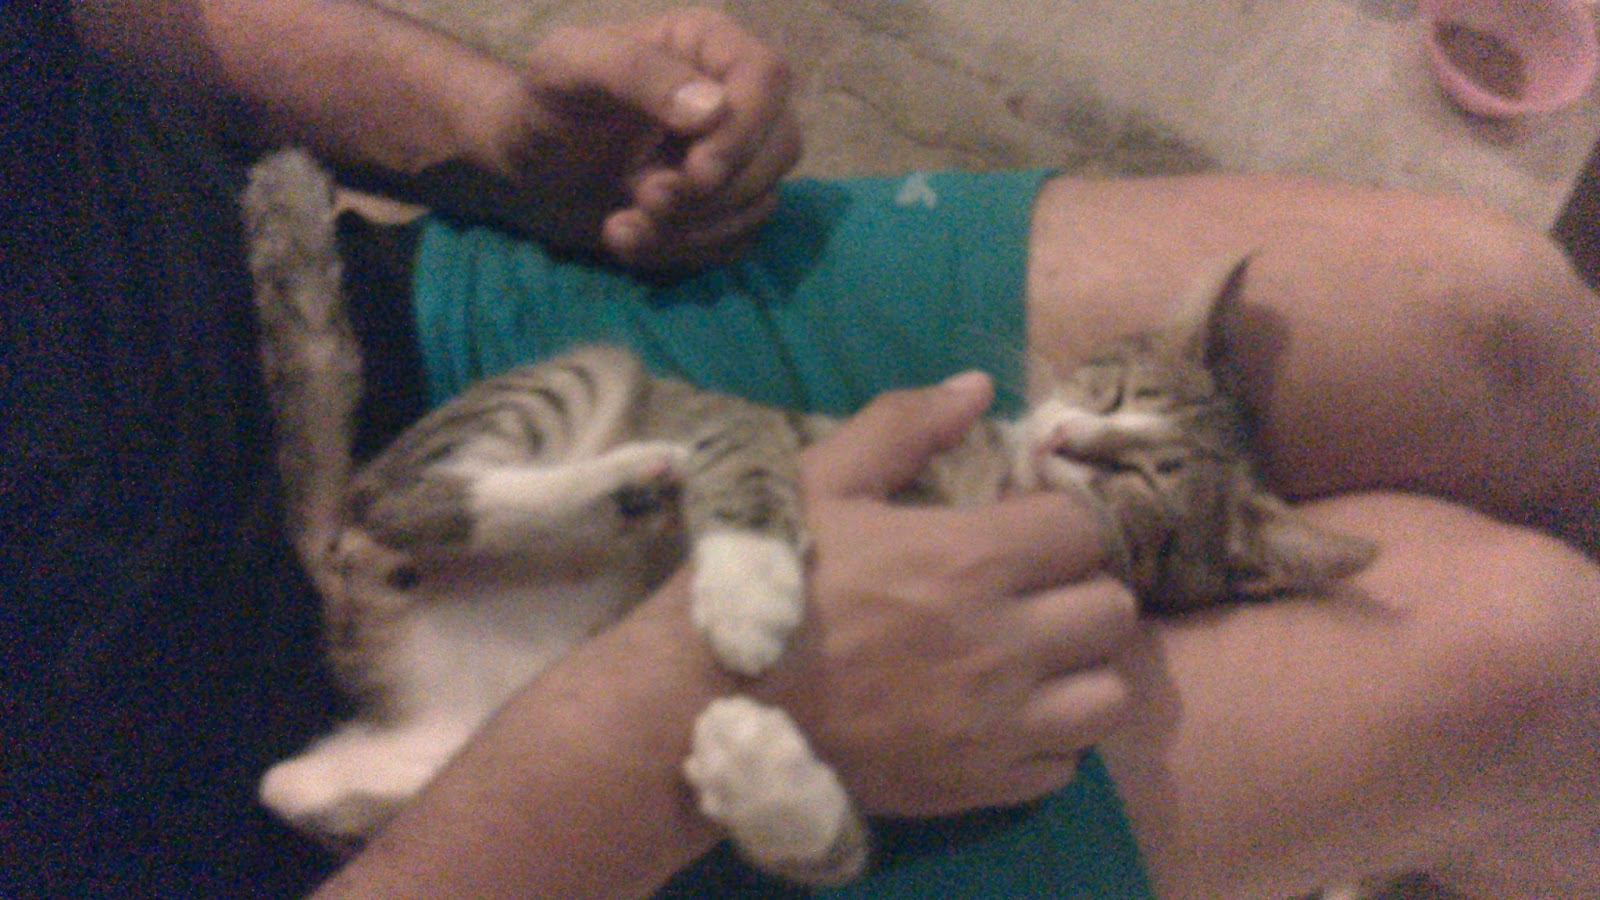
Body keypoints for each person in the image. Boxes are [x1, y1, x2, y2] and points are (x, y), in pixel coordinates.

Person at [5, 2, 1597, 899]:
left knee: (1490, 324)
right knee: (1518, 660)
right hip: (398, 812)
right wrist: (658, 735)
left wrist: (483, 133)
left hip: (360, 338)